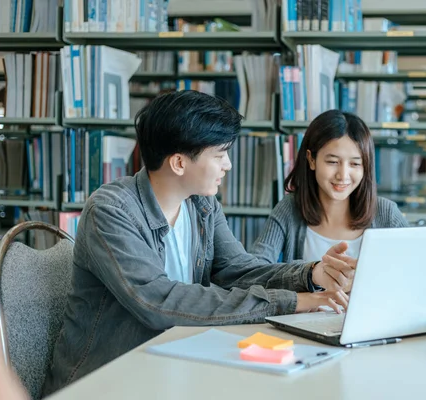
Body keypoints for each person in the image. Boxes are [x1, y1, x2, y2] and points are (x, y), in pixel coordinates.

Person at [41, 91, 355, 397]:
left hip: (173, 363)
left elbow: (237, 269)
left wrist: (310, 275)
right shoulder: (111, 211)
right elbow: (160, 303)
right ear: (178, 163)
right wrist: (294, 302)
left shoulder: (201, 204)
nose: (228, 165)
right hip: (106, 380)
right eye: (220, 154)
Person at [250, 109, 409, 271]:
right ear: (312, 160)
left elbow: (416, 269)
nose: (343, 175)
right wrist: (310, 273)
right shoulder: (290, 209)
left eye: (355, 164)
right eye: (333, 162)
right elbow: (255, 271)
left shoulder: (386, 214)